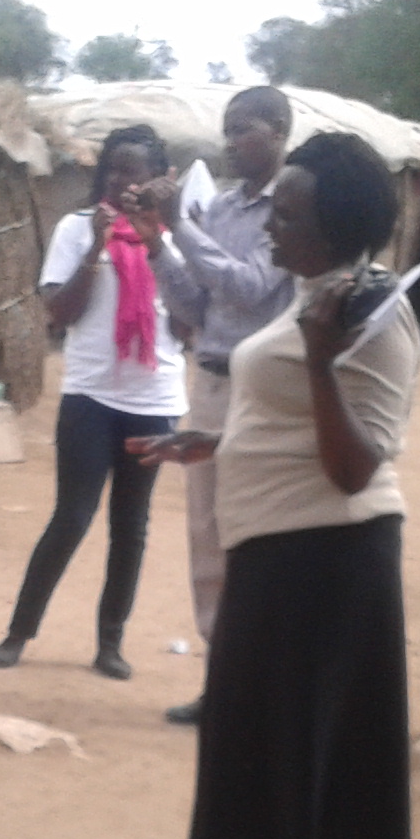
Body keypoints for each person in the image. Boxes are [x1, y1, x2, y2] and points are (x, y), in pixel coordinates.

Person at [120, 132, 420, 839]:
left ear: (336, 224)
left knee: (301, 747)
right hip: (272, 549)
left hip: (330, 559)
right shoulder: (312, 296)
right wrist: (210, 442)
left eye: (289, 216)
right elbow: (285, 415)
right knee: (239, 733)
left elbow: (357, 463)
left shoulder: (372, 316)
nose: (272, 229)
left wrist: (325, 362)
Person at [0, 123, 201, 681]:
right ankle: (19, 631)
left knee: (131, 526)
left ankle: (110, 643)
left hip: (153, 399)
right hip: (90, 397)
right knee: (72, 517)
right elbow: (59, 313)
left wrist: (159, 241)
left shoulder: (176, 238)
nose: (118, 181)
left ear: (156, 179)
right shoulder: (76, 229)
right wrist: (95, 251)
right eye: (111, 169)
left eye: (131, 171)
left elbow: (189, 326)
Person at [138, 88, 296, 724]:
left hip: (261, 391)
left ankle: (271, 683)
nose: (231, 142)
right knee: (207, 538)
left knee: (258, 537)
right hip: (210, 385)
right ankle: (224, 681)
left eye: (245, 129)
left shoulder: (290, 207)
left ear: (281, 130)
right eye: (227, 130)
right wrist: (156, 246)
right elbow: (198, 309)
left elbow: (253, 285)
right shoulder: (224, 209)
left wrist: (179, 227)